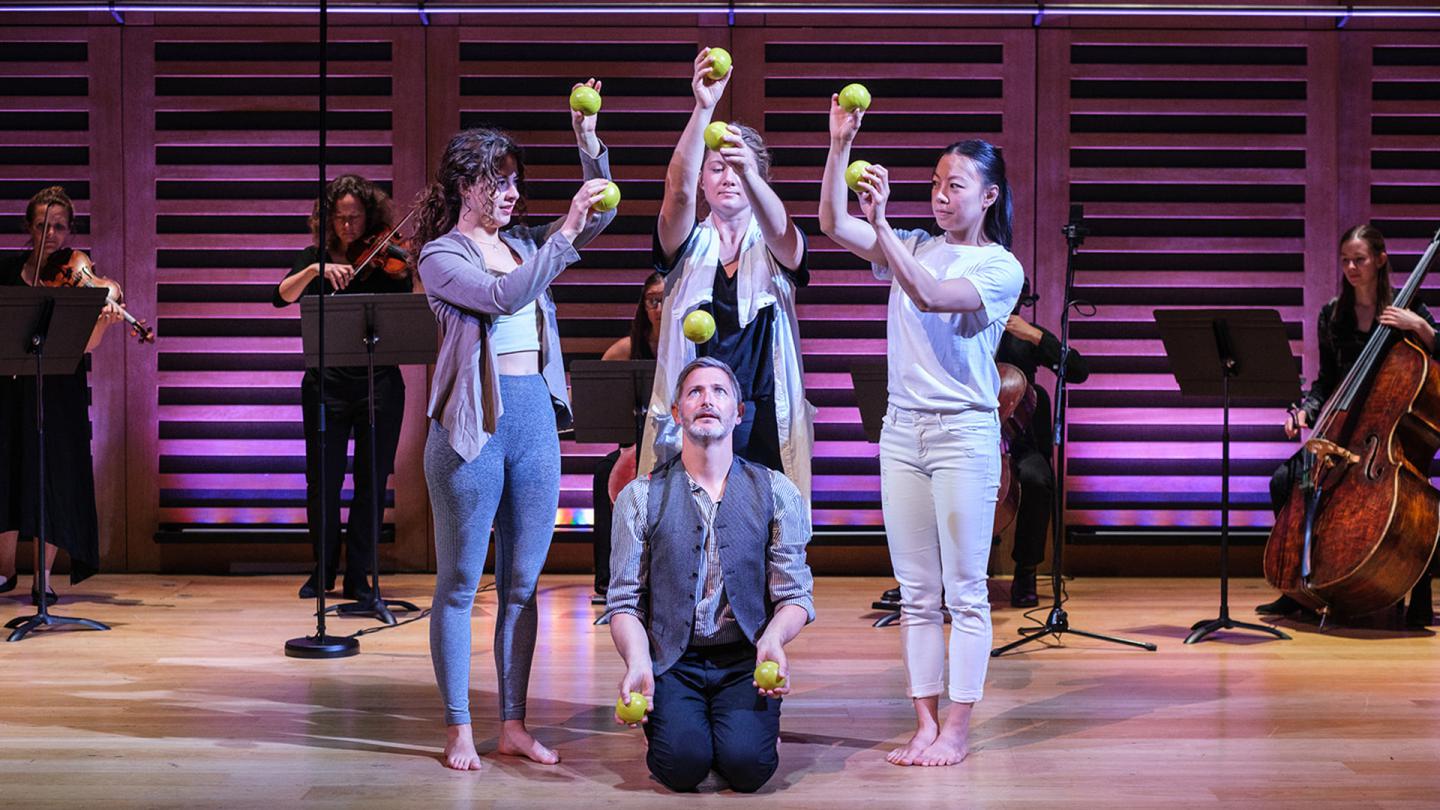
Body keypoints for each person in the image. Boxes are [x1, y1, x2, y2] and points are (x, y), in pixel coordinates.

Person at [415, 80, 616, 771]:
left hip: (534, 417)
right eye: (498, 182)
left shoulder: (529, 239)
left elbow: (596, 222)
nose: (510, 194)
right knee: (461, 585)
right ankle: (458, 726)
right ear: (465, 186)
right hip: (473, 427)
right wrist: (559, 235)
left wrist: (588, 147)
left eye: (513, 182)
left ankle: (512, 723)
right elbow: (503, 298)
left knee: (524, 585)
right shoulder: (441, 255)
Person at [819, 95, 1023, 766]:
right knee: (915, 592)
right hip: (901, 432)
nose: (939, 195)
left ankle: (958, 729)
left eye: (954, 185)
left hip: (965, 434)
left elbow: (933, 297)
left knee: (965, 590)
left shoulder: (1000, 268)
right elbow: (829, 222)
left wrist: (883, 228)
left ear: (988, 196)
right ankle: (925, 723)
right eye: (934, 183)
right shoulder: (911, 244)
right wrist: (839, 145)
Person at [605, 357, 815, 793]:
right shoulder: (639, 497)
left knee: (748, 768)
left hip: (743, 658)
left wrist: (773, 639)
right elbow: (624, 603)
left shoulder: (778, 491)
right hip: (673, 658)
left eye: (720, 391)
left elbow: (795, 595)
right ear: (678, 412)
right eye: (695, 392)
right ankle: (688, 725)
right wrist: (638, 660)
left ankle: (738, 729)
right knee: (680, 768)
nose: (707, 400)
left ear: (738, 413)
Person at [638, 47, 815, 500]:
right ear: (704, 179)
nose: (727, 177)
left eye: (737, 168)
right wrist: (704, 108)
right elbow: (677, 192)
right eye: (716, 168)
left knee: (766, 542)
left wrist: (748, 172)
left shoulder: (775, 242)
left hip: (766, 424)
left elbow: (782, 231)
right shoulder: (687, 244)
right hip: (695, 419)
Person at [1259, 224, 1436, 628]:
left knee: (1414, 505)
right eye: (1345, 261)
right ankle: (1298, 591)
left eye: (1360, 259)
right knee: (1284, 482)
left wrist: (1419, 328)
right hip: (1341, 427)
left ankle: (1418, 595)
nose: (1352, 267)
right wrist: (1306, 410)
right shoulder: (1332, 315)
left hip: (1386, 435)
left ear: (1380, 260)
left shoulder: (1409, 310)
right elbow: (1325, 380)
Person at [273, 173, 418, 602]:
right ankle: (323, 570)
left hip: (379, 385)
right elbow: (281, 295)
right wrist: (317, 268)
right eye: (340, 219)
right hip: (326, 386)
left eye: (355, 218)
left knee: (371, 483)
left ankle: (361, 574)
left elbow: (415, 298)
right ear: (327, 219)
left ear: (368, 216)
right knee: (323, 482)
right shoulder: (314, 257)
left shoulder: (384, 259)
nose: (348, 228)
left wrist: (415, 265)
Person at [0, 185, 127, 603]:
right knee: (7, 474)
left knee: (51, 478)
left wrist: (105, 321)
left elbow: (84, 345)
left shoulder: (75, 275)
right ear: (28, 228)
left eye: (58, 226)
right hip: (9, 390)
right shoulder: (5, 273)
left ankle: (43, 577)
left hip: (58, 392)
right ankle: (4, 572)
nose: (50, 234)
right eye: (41, 226)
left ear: (69, 230)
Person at [993, 279, 1089, 607]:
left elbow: (1077, 370)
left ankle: (1026, 570)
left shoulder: (1025, 334)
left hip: (1018, 441)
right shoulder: (966, 329)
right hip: (968, 437)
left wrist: (1036, 336)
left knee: (1038, 479)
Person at [592, 272, 663, 603]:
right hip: (635, 447)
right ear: (643, 306)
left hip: (683, 447)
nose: (660, 307)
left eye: (666, 299)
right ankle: (609, 580)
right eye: (653, 300)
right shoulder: (626, 350)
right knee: (605, 473)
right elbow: (603, 406)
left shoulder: (693, 344)